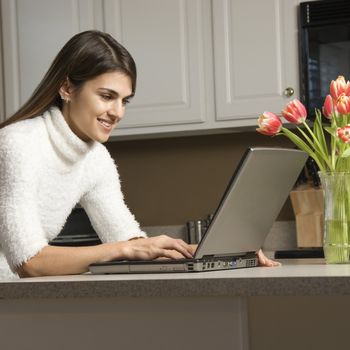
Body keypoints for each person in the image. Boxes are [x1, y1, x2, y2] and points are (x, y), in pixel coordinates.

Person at [0, 30, 278, 278]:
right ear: (67, 88)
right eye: (107, 96)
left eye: (125, 101)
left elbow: (130, 243)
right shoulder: (17, 143)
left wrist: (214, 253)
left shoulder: (96, 159)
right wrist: (123, 249)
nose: (118, 112)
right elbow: (29, 261)